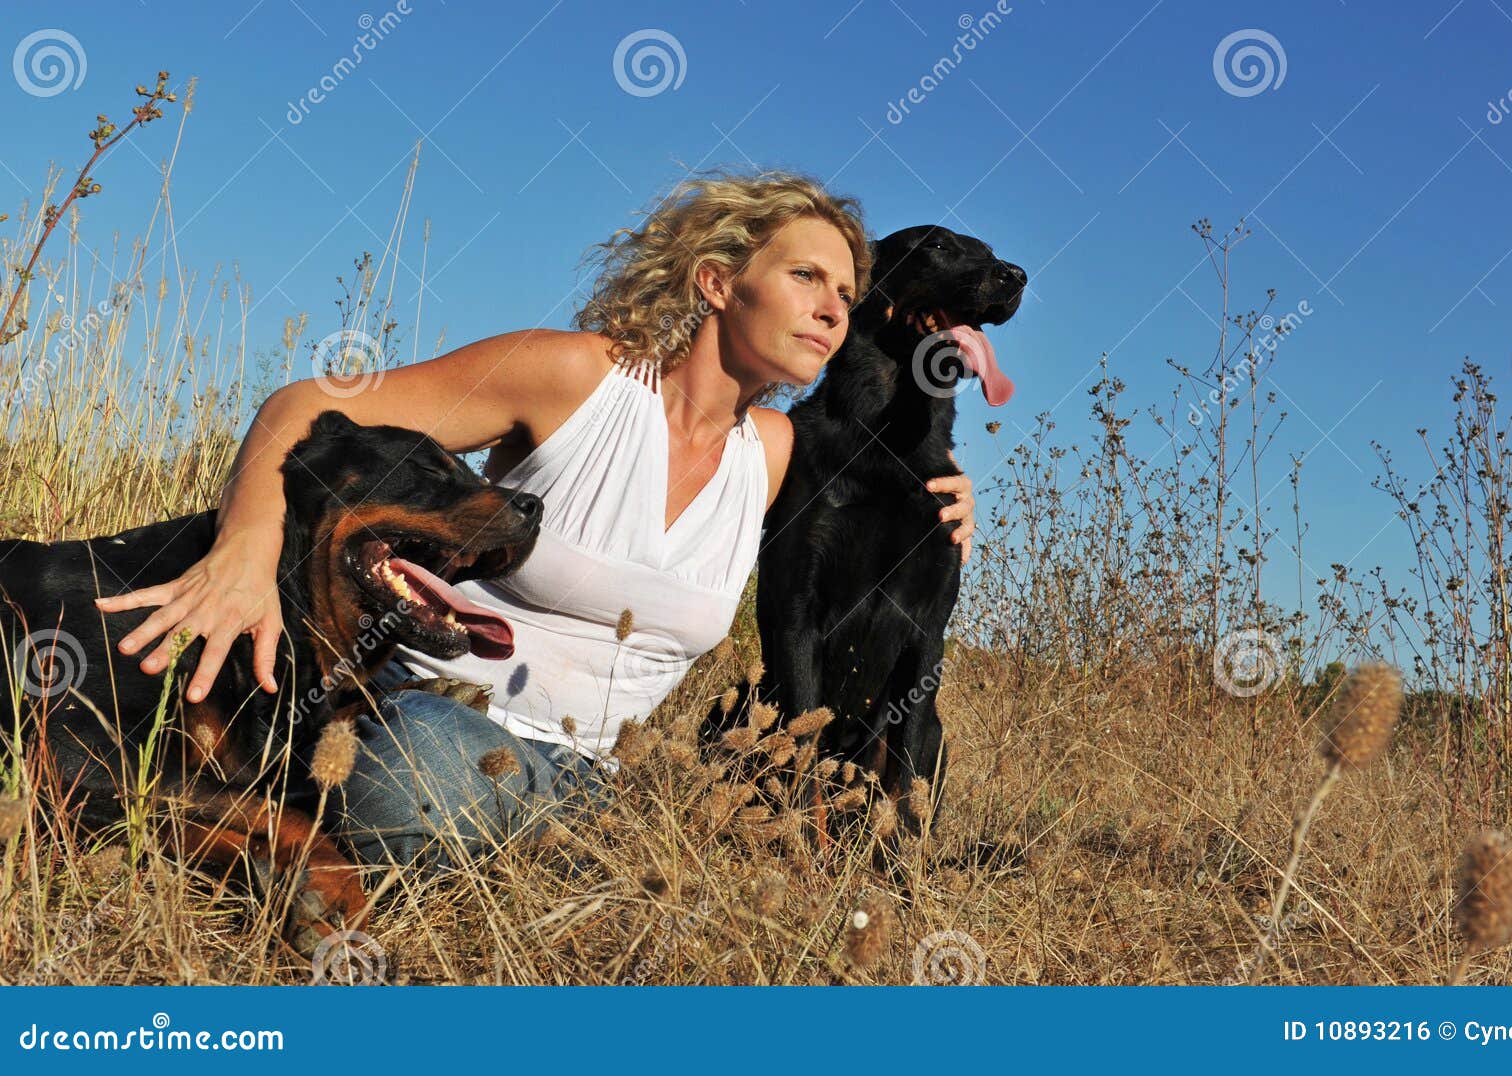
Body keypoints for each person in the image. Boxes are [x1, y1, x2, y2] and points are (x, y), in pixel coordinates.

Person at [91, 169, 979, 872]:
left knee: (678, 833)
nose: (835, 306)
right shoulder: (570, 377)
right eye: (806, 276)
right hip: (431, 725)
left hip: (602, 784)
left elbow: (871, 531)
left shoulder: (780, 450)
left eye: (848, 289)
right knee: (411, 778)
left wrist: (947, 506)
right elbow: (306, 407)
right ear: (717, 282)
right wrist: (245, 548)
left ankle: (562, 850)